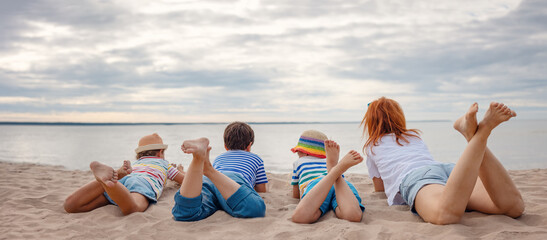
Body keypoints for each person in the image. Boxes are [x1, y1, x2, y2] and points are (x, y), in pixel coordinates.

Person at [361, 97, 524, 225]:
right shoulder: (414, 136)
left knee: (445, 215)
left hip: (418, 178)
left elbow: (380, 189)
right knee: (512, 207)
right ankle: (471, 135)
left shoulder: (372, 146)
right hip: (446, 170)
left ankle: (483, 132)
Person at [64, 133, 185, 215]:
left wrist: (120, 175)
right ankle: (111, 182)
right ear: (160, 152)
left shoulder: (137, 163)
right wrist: (180, 171)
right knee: (133, 208)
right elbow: (185, 181)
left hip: (126, 179)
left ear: (139, 154)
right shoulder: (164, 163)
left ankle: (111, 178)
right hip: (143, 182)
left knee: (72, 206)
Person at [172, 122, 267, 221]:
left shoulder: (219, 158)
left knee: (185, 213)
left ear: (225, 146)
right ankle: (209, 170)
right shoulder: (256, 159)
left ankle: (198, 159)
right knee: (255, 208)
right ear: (249, 146)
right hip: (232, 181)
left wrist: (181, 171)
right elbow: (261, 189)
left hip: (209, 180)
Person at [290, 130, 365, 224]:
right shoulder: (327, 160)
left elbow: (296, 194)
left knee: (300, 217)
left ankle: (333, 172)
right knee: (352, 216)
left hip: (317, 185)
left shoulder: (299, 162)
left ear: (305, 153)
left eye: (298, 152)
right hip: (339, 183)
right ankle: (335, 171)